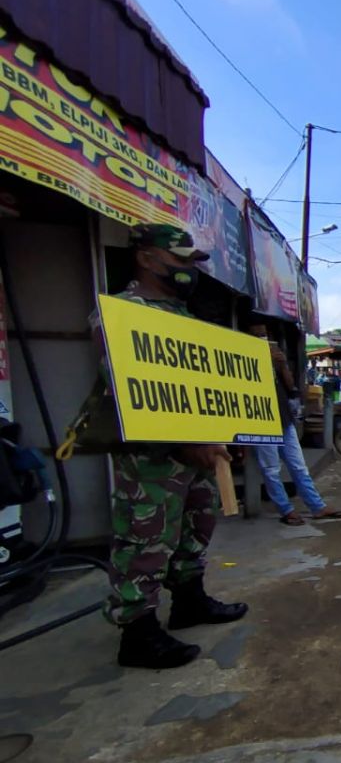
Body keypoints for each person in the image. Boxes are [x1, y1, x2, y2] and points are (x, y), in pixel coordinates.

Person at [93, 224, 247, 669]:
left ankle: (189, 601)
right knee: (146, 538)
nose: (187, 270)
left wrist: (227, 432)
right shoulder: (123, 312)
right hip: (151, 458)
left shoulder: (186, 318)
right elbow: (125, 390)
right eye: (179, 260)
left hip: (197, 454)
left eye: (191, 263)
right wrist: (182, 440)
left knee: (196, 525)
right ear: (146, 257)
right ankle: (138, 632)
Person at [246, 321, 341, 526]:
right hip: (259, 420)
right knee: (271, 469)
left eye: (264, 334)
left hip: (283, 416)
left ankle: (317, 506)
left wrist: (282, 364)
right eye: (258, 334)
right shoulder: (243, 357)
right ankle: (286, 510)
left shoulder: (274, 355)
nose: (263, 338)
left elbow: (290, 385)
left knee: (299, 466)